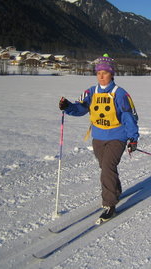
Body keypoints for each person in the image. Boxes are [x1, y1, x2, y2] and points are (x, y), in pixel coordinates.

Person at [59, 54, 139, 223]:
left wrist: (132, 138)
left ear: (112, 74)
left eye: (105, 72)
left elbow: (128, 116)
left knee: (107, 169)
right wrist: (68, 107)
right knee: (105, 167)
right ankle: (115, 191)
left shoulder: (120, 94)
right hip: (98, 137)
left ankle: (109, 204)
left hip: (117, 137)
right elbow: (80, 108)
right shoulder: (91, 92)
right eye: (98, 73)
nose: (101, 76)